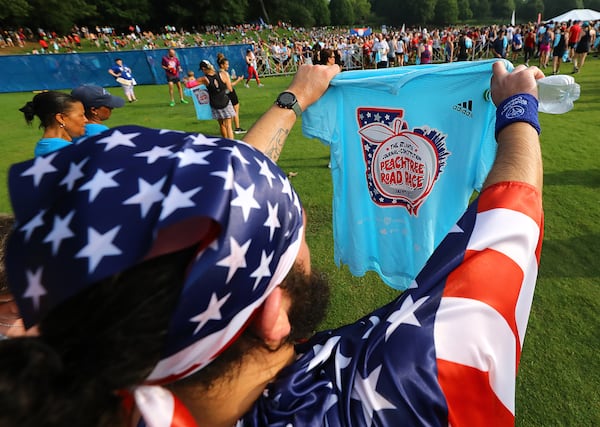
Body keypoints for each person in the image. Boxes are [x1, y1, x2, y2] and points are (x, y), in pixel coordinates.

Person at [1, 62, 544, 427]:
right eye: (296, 235)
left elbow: (229, 192)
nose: (305, 221)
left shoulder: (92, 383)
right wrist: (518, 110)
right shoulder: (398, 386)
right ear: (272, 313)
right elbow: (509, 228)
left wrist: (292, 98)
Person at [19, 91, 87, 157]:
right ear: (61, 118)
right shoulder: (66, 151)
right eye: (81, 115)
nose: (85, 120)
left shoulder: (45, 146)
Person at [197, 59, 236, 139]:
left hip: (215, 103)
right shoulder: (223, 74)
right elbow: (230, 89)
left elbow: (190, 84)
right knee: (229, 126)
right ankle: (231, 144)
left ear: (204, 69)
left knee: (221, 124)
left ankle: (224, 142)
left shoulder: (204, 79)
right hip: (224, 101)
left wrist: (188, 80)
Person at [217, 53, 246, 134]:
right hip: (230, 92)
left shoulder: (218, 73)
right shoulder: (225, 73)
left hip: (224, 94)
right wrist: (238, 80)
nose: (228, 66)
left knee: (228, 112)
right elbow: (230, 86)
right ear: (222, 64)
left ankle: (227, 128)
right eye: (227, 64)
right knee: (235, 110)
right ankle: (237, 128)